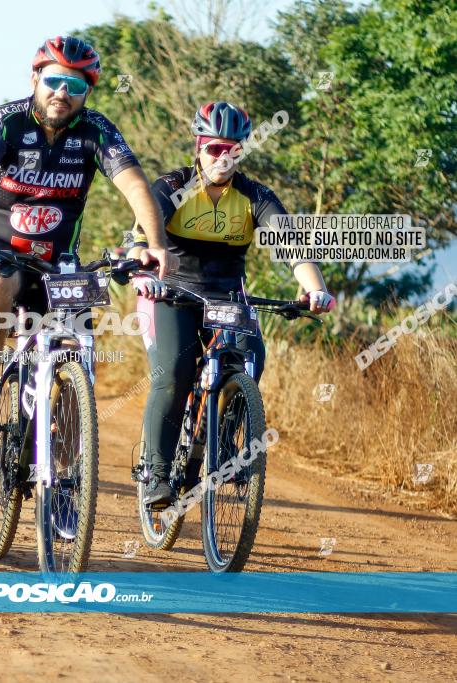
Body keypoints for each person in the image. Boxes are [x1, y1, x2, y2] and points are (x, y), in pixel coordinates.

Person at [0, 35, 172, 431]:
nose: (62, 93)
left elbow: (136, 187)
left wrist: (153, 245)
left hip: (60, 263)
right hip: (1, 251)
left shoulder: (96, 129)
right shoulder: (7, 121)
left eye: (76, 86)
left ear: (88, 93)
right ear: (35, 78)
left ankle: (66, 462)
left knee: (77, 354)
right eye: (54, 80)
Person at [128, 101, 336, 505]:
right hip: (171, 293)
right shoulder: (173, 187)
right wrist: (144, 273)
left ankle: (223, 444)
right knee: (174, 373)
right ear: (198, 147)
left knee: (251, 354)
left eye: (233, 150)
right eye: (215, 149)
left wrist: (315, 290)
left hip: (227, 297)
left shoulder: (255, 196)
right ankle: (155, 473)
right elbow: (142, 236)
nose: (223, 159)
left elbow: (293, 249)